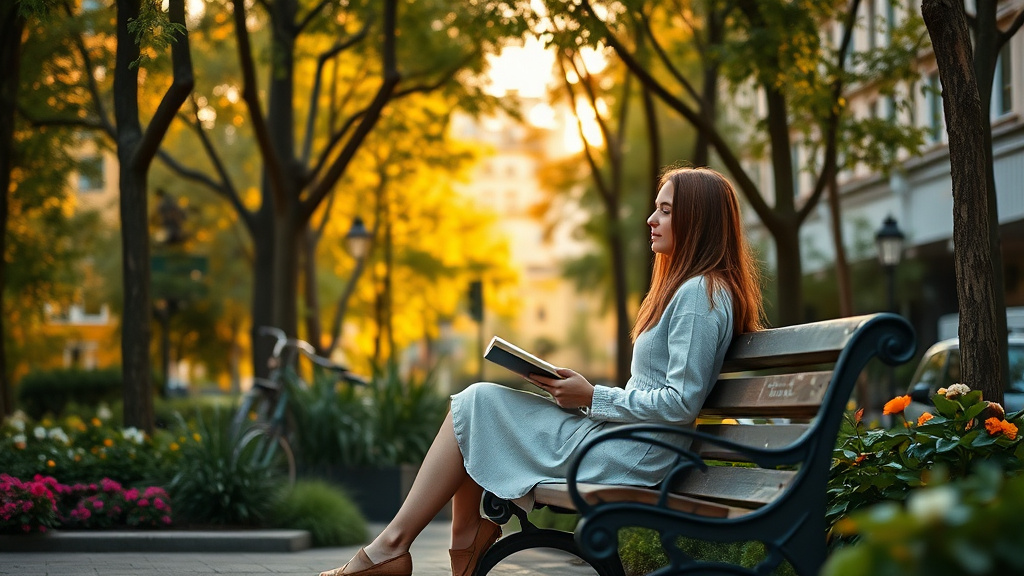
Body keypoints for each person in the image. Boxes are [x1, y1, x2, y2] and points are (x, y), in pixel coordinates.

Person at [316, 166, 765, 576]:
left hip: (633, 455)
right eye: (656, 208)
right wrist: (579, 394)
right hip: (627, 441)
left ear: (698, 222)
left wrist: (593, 397)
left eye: (665, 211)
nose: (651, 219)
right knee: (480, 405)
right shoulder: (693, 290)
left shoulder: (700, 295)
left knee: (478, 403)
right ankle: (449, 544)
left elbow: (680, 403)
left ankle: (402, 547)